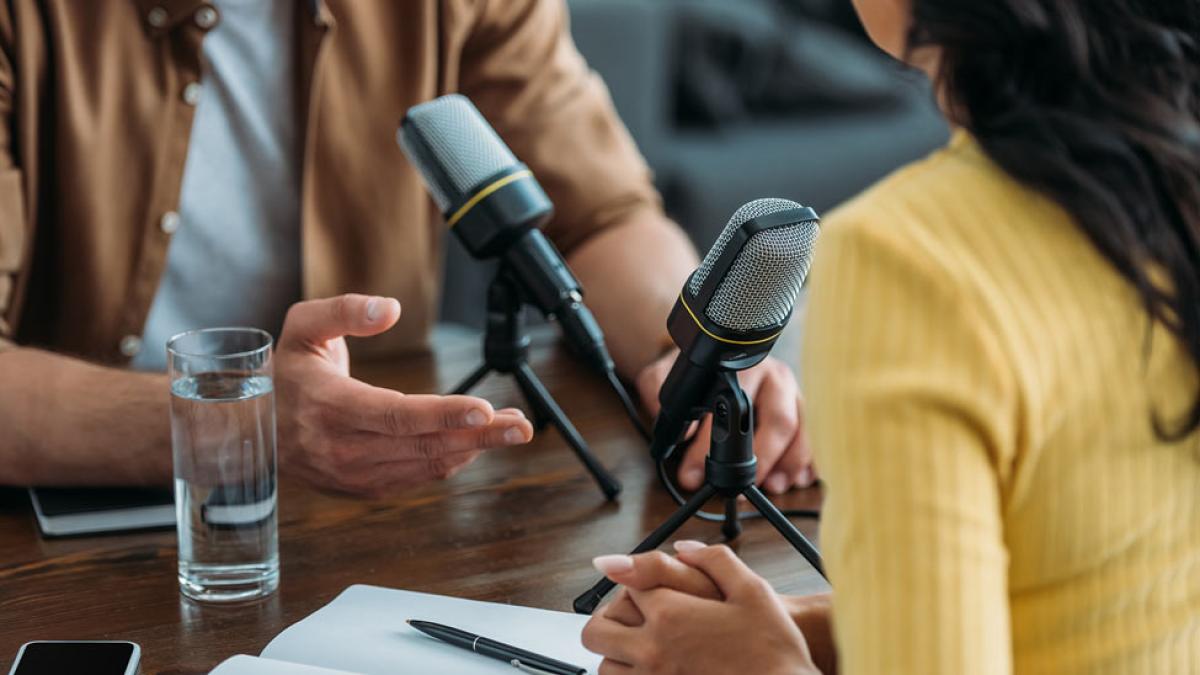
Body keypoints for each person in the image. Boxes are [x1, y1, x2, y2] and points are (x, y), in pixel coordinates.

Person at [582, 0, 1200, 673]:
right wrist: (819, 627)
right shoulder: (1170, 180)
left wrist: (760, 663)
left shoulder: (905, 259)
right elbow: (1094, 598)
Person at [0, 0, 812, 496]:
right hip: (67, 511)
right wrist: (245, 426)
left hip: (371, 500)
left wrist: (692, 362)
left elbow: (602, 213)